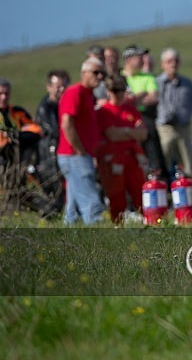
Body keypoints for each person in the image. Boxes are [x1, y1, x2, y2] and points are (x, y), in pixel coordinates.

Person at [57, 57, 106, 225]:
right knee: (90, 201)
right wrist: (80, 151)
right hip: (74, 155)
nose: (100, 76)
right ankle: (98, 237)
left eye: (102, 73)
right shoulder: (75, 92)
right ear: (83, 72)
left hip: (78, 155)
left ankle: (68, 234)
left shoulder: (87, 94)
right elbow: (67, 124)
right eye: (95, 72)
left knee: (73, 206)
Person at [96, 74, 148, 223]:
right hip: (112, 159)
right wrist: (131, 132)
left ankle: (148, 220)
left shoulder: (131, 110)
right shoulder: (104, 111)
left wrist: (123, 132)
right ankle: (117, 224)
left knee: (139, 191)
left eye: (121, 89)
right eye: (114, 90)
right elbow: (112, 135)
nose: (118, 93)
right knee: (116, 195)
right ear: (108, 91)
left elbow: (143, 133)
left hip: (132, 157)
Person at [122, 44, 167, 176]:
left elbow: (153, 97)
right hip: (125, 121)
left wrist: (132, 100)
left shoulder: (148, 77)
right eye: (139, 57)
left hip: (144, 118)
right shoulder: (120, 78)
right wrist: (141, 95)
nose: (143, 60)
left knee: (151, 138)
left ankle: (157, 172)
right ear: (129, 60)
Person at [155, 48, 192, 178]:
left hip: (183, 127)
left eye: (175, 61)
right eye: (169, 61)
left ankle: (190, 188)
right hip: (164, 128)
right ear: (163, 64)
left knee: (187, 162)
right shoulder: (157, 83)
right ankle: (163, 188)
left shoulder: (187, 83)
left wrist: (185, 118)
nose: (173, 64)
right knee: (163, 158)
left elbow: (191, 103)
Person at [34, 69, 71, 212]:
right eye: (58, 86)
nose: (61, 90)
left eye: (64, 86)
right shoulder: (45, 108)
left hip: (63, 154)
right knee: (55, 200)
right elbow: (55, 132)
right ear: (49, 87)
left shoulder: (66, 104)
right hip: (49, 159)